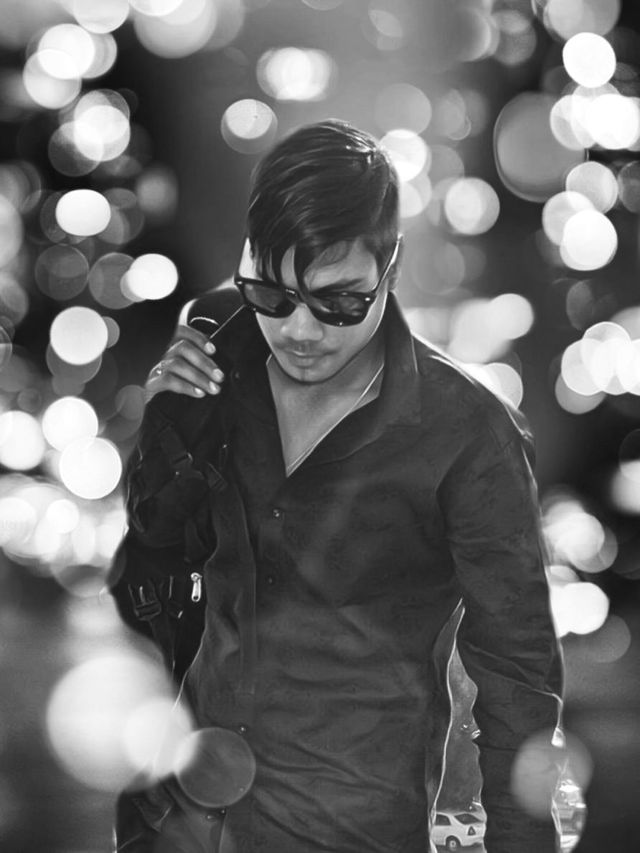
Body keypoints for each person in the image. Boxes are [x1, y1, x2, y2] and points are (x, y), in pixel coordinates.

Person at [111, 119, 564, 853]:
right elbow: (156, 552)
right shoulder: (216, 360)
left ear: (393, 266)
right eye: (271, 294)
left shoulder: (469, 434)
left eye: (339, 301)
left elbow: (518, 683)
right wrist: (167, 425)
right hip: (179, 822)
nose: (299, 330)